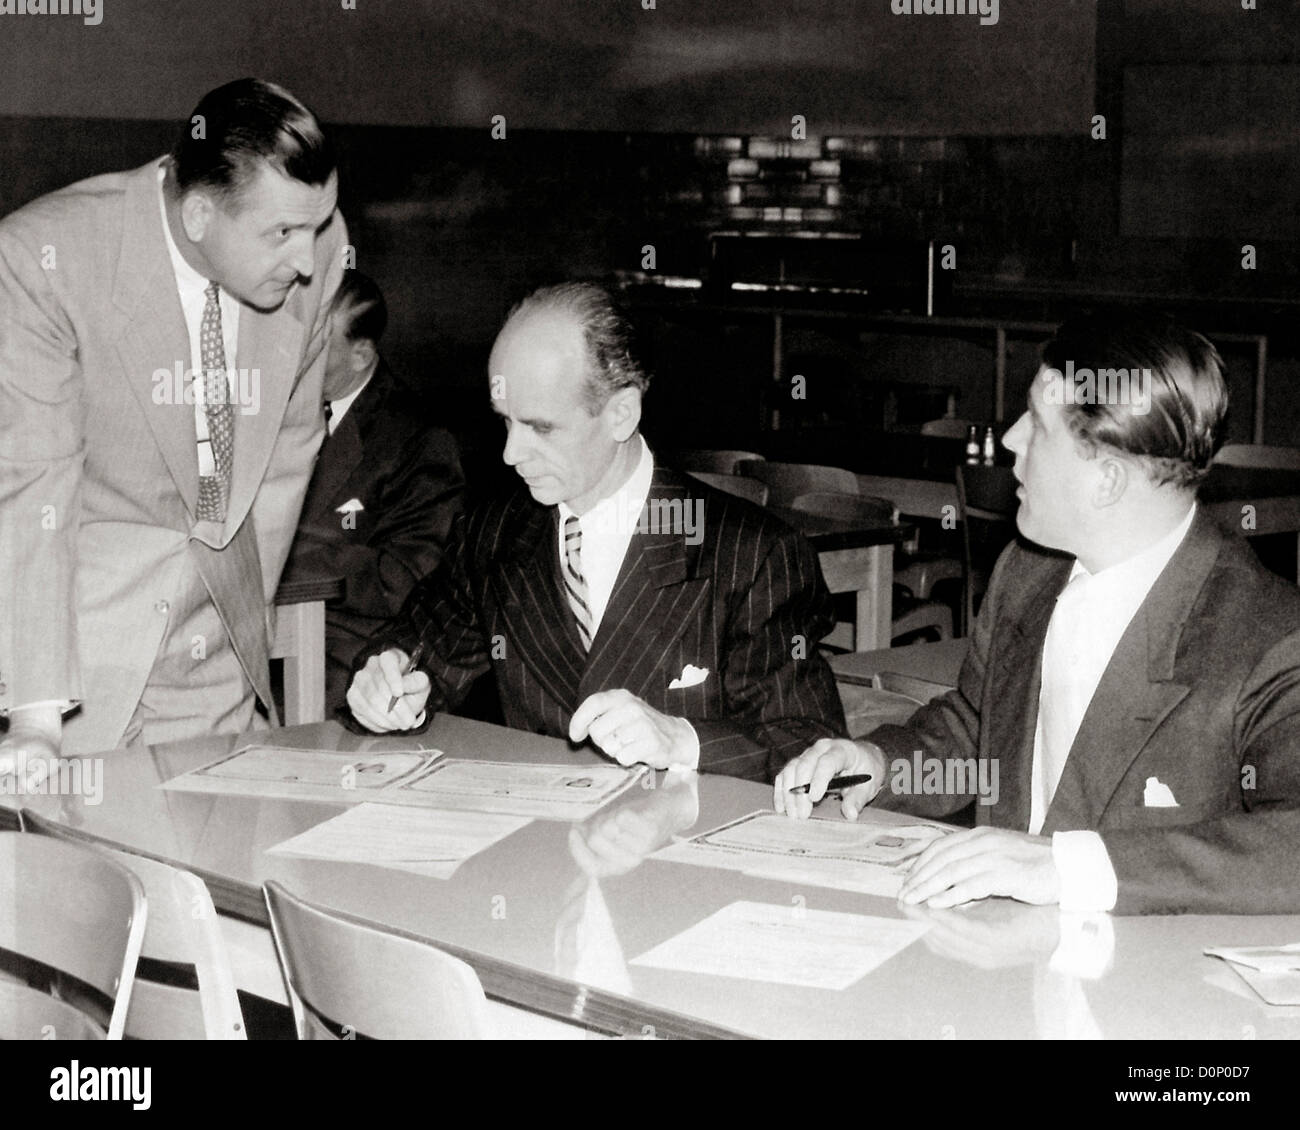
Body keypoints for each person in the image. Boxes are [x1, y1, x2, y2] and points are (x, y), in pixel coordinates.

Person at [775, 313, 1300, 915]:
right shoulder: (1030, 572)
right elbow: (981, 739)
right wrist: (882, 765)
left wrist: (1064, 867)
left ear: (1106, 480)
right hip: (1001, 960)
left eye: (1038, 427)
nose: (1009, 440)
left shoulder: (1269, 635)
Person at [346, 282, 845, 780]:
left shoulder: (749, 554)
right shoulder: (495, 531)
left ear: (621, 414)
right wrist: (387, 677)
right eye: (505, 423)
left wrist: (682, 740)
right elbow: (419, 646)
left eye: (541, 428)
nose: (510, 454)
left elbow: (805, 741)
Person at [0, 78, 347, 763]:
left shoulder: (318, 244)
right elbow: (33, 485)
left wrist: (237, 626)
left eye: (319, 224)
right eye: (281, 233)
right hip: (81, 654)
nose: (308, 261)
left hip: (215, 656)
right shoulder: (45, 258)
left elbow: (283, 464)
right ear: (198, 217)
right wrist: (37, 719)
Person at [283, 271, 464, 712]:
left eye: (315, 345)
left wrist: (279, 558)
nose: (294, 356)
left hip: (350, 648)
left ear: (362, 354)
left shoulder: (419, 439)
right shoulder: (272, 409)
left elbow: (404, 576)